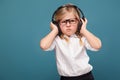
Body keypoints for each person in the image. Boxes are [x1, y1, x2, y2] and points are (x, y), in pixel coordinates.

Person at [40, 3, 102, 80]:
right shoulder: (57, 39)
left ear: (79, 23)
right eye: (64, 21)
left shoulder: (83, 37)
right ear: (57, 24)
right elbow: (43, 46)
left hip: (86, 77)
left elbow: (97, 45)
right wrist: (54, 30)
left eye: (72, 21)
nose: (68, 25)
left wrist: (84, 30)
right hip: (66, 78)